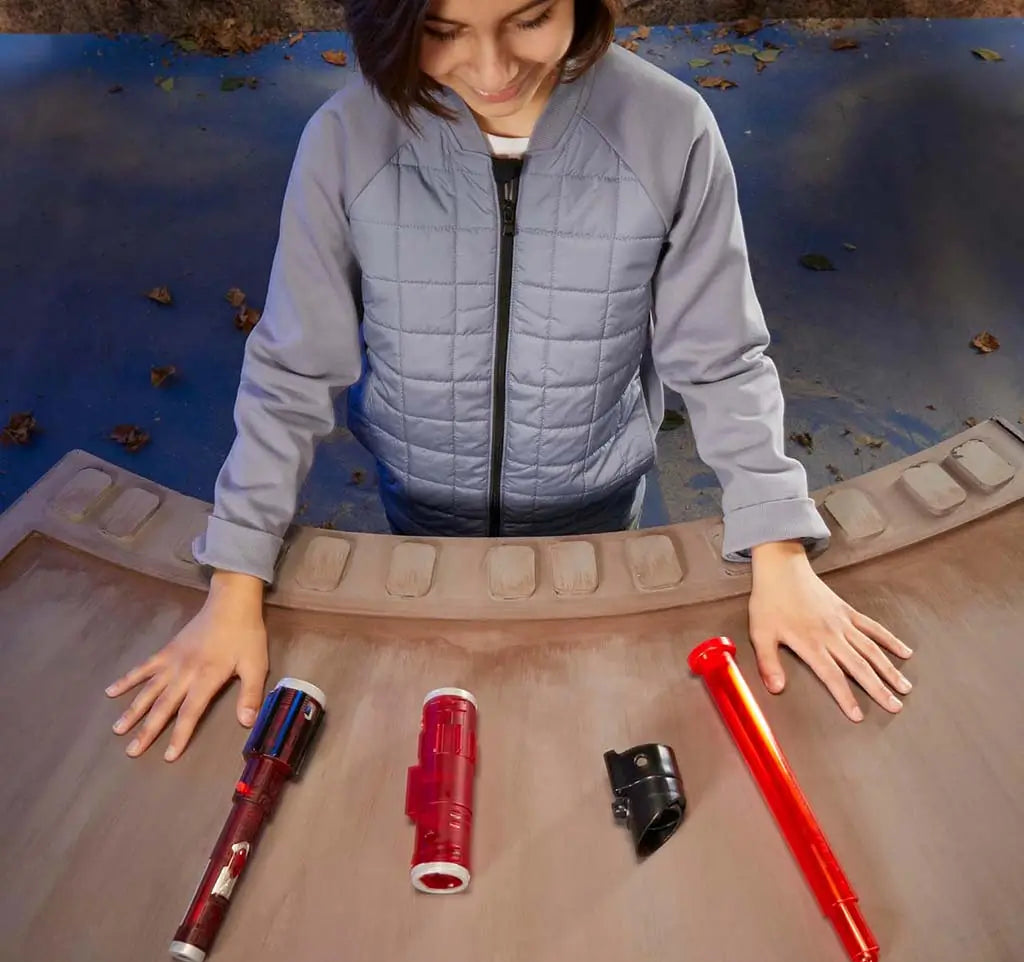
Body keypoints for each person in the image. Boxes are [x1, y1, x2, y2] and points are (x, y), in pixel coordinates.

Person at [106, 0, 914, 762]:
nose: (491, 69)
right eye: (442, 28)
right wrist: (237, 580)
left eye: (530, 18)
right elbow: (293, 369)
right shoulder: (348, 139)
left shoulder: (670, 131)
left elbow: (722, 355)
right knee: (444, 703)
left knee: (579, 720)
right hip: (420, 509)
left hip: (597, 509)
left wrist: (777, 549)